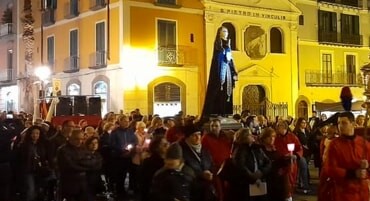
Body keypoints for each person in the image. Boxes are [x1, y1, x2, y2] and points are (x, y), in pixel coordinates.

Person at [320, 112, 370, 201]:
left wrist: (367, 167)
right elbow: (330, 168)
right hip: (343, 192)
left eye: (344, 123)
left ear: (353, 124)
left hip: (362, 192)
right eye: (339, 123)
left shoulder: (363, 143)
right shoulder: (334, 144)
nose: (340, 126)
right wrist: (353, 173)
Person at [201, 26, 238, 118]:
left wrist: (234, 71)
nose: (226, 33)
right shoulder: (218, 43)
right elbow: (218, 56)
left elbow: (230, 59)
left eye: (227, 31)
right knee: (220, 89)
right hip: (221, 69)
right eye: (224, 31)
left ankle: (226, 111)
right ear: (219, 33)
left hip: (228, 69)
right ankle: (218, 111)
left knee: (227, 90)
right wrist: (225, 52)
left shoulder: (228, 43)